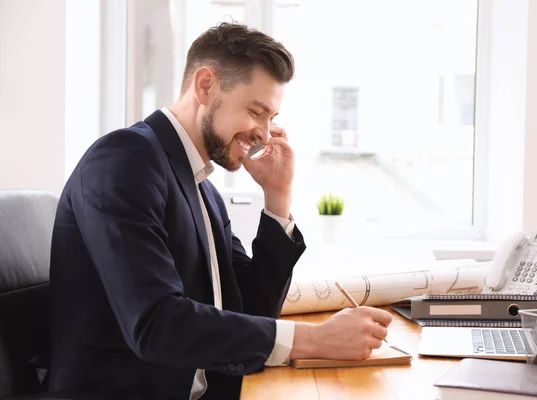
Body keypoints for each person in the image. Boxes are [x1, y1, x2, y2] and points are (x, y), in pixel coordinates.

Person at [48, 22, 392, 400]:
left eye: (271, 118)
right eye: (255, 111)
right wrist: (315, 339)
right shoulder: (125, 160)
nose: (264, 133)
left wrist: (278, 198)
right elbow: (156, 325)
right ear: (206, 85)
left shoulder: (203, 189)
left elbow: (252, 310)